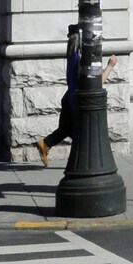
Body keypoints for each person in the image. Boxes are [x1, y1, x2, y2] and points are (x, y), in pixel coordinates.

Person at [37, 25, 118, 166]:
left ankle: (45, 144)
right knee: (83, 135)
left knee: (66, 129)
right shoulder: (84, 59)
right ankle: (82, 163)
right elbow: (95, 81)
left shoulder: (73, 55)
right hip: (79, 102)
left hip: (70, 99)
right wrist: (110, 66)